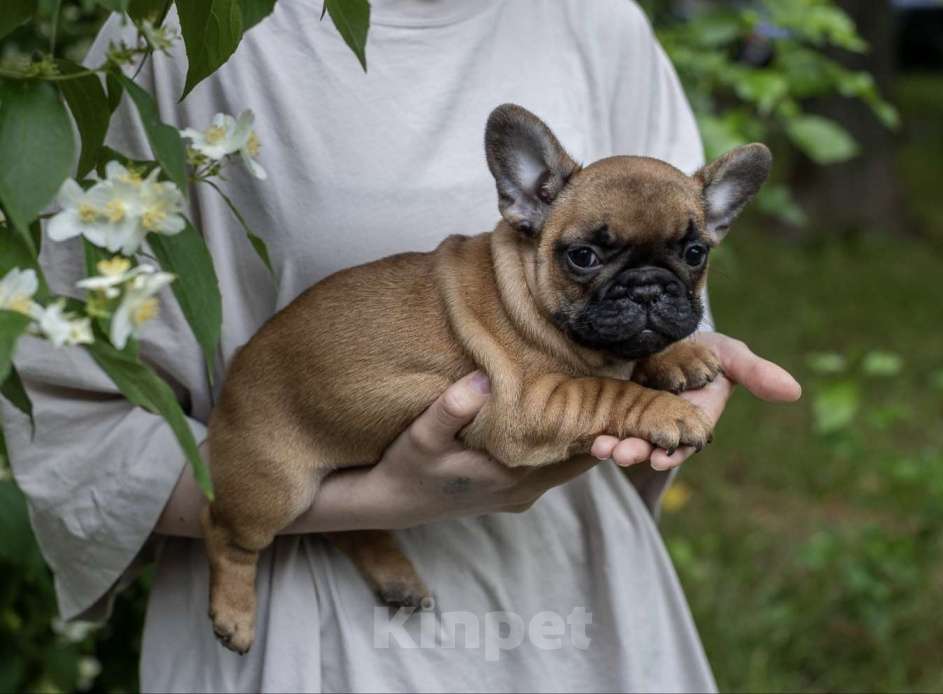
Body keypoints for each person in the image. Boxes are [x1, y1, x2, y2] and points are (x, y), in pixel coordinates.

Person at [4, 0, 800, 691]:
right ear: (520, 202)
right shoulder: (170, 34)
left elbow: (648, 310)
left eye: (686, 258)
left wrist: (680, 361)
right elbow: (83, 432)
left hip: (573, 594)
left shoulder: (601, 21)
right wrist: (383, 500)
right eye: (593, 256)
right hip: (307, 619)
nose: (649, 281)